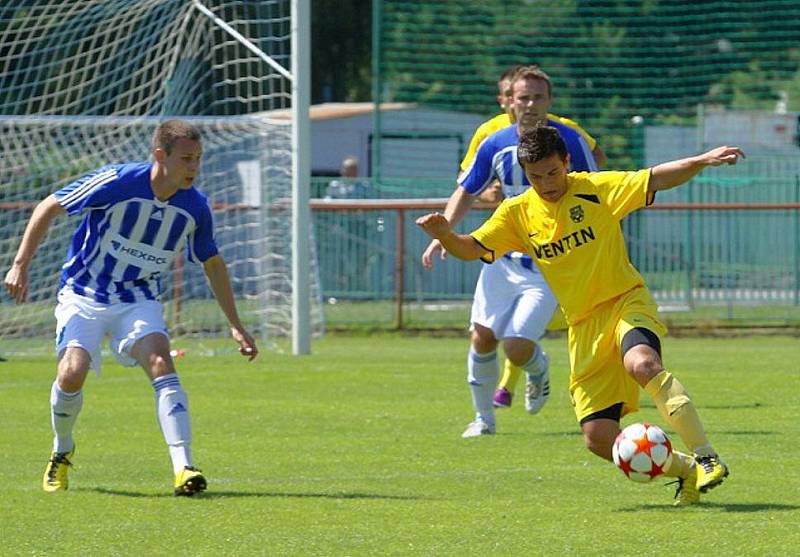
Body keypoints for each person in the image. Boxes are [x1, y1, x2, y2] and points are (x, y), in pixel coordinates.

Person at [417, 124, 740, 505]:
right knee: (599, 439)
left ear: (566, 162)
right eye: (535, 177)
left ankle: (706, 455)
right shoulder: (517, 213)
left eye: (553, 172)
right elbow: (473, 248)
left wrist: (701, 160)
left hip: (624, 301)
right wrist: (446, 236)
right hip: (584, 325)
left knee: (643, 364)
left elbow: (655, 176)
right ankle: (686, 470)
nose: (546, 183)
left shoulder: (594, 190)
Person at [3, 119, 258, 496]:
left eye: (198, 159)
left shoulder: (195, 207)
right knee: (72, 373)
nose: (194, 167)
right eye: (186, 158)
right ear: (161, 155)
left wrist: (235, 324)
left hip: (137, 298)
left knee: (160, 361)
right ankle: (62, 450)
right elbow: (48, 206)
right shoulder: (116, 182)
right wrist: (20, 264)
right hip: (84, 293)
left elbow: (212, 263)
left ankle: (183, 467)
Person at [422, 66, 600, 438]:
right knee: (482, 336)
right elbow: (468, 190)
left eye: (538, 97)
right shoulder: (495, 142)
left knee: (517, 345)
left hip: (550, 264)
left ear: (549, 102)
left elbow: (595, 191)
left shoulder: (569, 140)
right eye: (523, 97)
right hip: (501, 260)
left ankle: (537, 369)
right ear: (510, 102)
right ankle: (483, 419)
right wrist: (446, 232)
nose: (530, 104)